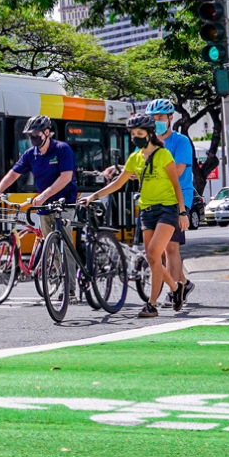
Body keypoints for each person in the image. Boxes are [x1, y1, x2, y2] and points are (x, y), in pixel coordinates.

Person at [81, 113, 185, 318]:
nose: (135, 137)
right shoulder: (135, 158)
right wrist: (93, 196)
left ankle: (151, 304)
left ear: (149, 134)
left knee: (154, 253)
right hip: (147, 210)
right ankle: (176, 288)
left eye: (140, 133)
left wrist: (182, 212)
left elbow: (176, 185)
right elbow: (118, 183)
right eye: (133, 134)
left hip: (168, 208)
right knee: (151, 257)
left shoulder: (164, 155)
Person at [0, 115, 78, 240]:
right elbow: (13, 173)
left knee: (63, 247)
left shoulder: (62, 149)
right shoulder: (30, 154)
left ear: (47, 132)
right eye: (30, 135)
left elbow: (66, 177)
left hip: (63, 205)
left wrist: (44, 195)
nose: (33, 138)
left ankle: (68, 259)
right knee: (47, 248)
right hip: (44, 206)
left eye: (36, 134)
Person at [145, 98, 195, 309]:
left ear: (170, 118)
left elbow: (179, 171)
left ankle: (172, 290)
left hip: (178, 199)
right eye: (153, 118)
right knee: (159, 249)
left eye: (160, 118)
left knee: (171, 247)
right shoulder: (148, 143)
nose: (156, 121)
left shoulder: (181, 141)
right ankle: (184, 284)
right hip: (155, 199)